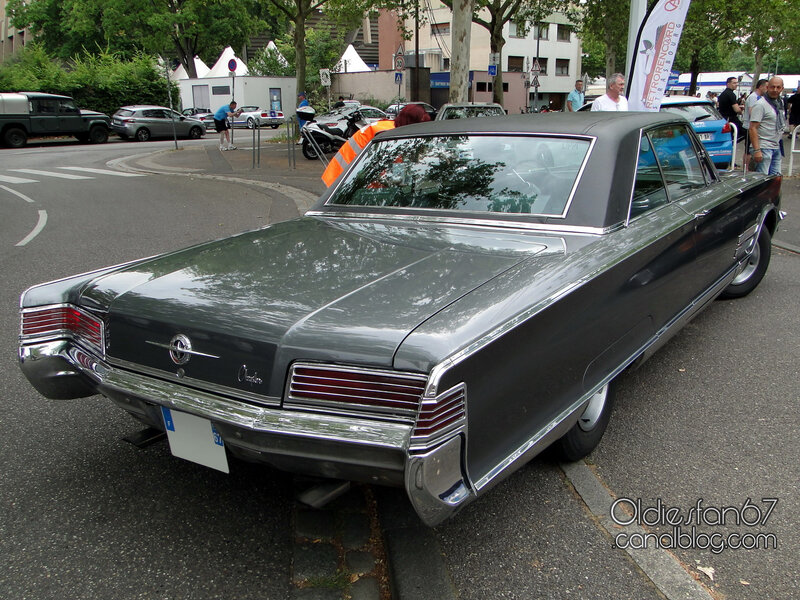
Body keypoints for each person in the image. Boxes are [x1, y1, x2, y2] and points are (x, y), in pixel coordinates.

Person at [321, 103, 431, 187]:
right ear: (411, 123)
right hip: (342, 179)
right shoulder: (388, 136)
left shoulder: (390, 128)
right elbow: (386, 173)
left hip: (341, 174)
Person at [749, 76, 785, 175]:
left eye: (778, 87)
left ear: (782, 88)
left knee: (776, 180)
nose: (775, 90)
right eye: (772, 87)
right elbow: (752, 128)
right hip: (763, 147)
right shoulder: (760, 105)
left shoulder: (779, 103)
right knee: (762, 180)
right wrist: (757, 150)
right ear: (767, 87)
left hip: (776, 146)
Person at [742, 79, 767, 165]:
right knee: (748, 150)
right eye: (766, 87)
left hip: (753, 127)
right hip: (749, 126)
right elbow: (752, 112)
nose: (767, 89)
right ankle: (746, 168)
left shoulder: (760, 97)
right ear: (761, 87)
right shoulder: (753, 97)